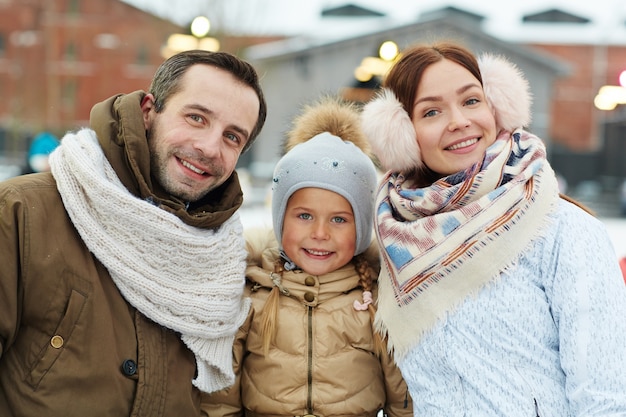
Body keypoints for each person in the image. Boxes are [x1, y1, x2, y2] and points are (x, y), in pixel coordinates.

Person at [360, 41, 626, 416]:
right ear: (404, 132)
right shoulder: (392, 237)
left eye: (471, 101)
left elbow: (606, 397)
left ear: (496, 107)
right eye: (432, 111)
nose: (458, 121)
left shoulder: (563, 229)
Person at [0, 50, 267, 417]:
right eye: (196, 117)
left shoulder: (225, 262)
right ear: (147, 111)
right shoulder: (22, 212)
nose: (209, 147)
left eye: (232, 137)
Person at [202, 97, 412, 417]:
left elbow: (403, 396)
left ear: (363, 225)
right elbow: (220, 395)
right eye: (304, 216)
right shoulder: (253, 291)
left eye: (339, 219)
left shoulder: (376, 301)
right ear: (280, 217)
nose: (320, 233)